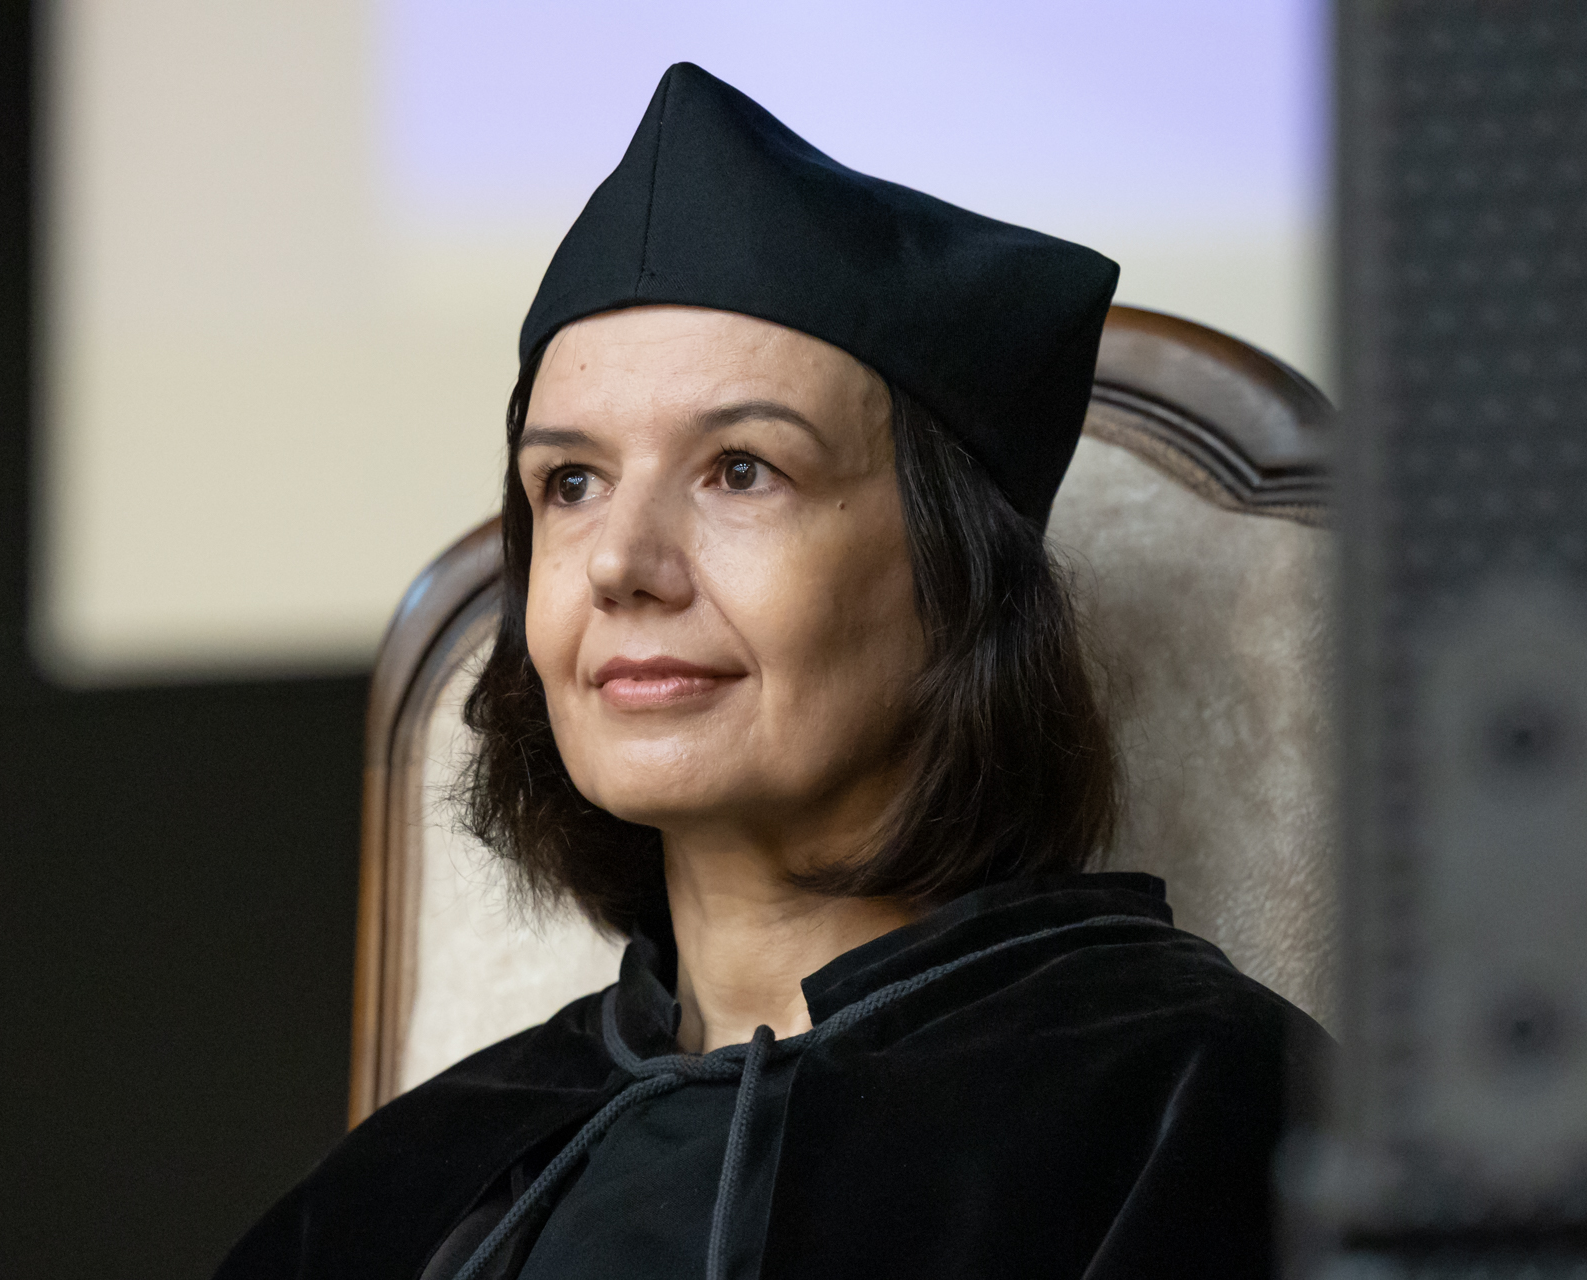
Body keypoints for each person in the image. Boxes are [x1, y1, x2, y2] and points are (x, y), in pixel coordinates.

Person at [216, 62, 1331, 1280]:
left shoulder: (1196, 1106)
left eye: (741, 469)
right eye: (570, 482)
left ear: (956, 571)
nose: (619, 563)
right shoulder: (404, 1187)